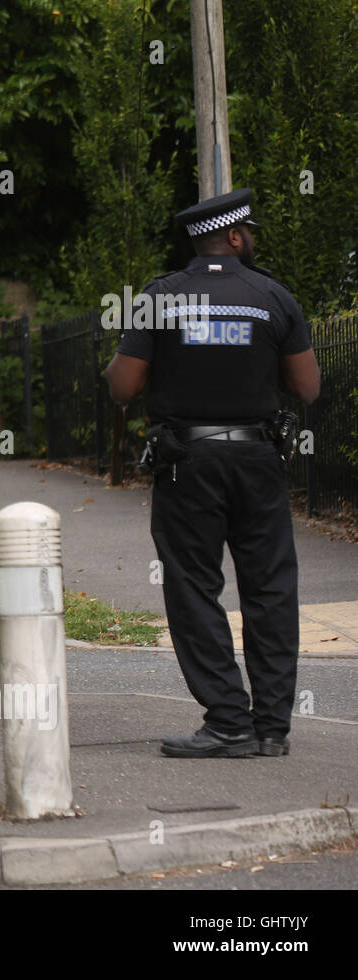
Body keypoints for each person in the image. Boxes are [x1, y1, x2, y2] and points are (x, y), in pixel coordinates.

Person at [104, 188, 321, 759]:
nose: (252, 238)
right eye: (247, 231)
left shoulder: (160, 298)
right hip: (258, 462)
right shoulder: (272, 295)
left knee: (194, 587)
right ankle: (272, 727)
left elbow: (123, 390)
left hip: (187, 465)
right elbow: (308, 387)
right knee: (271, 588)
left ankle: (228, 720)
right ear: (232, 237)